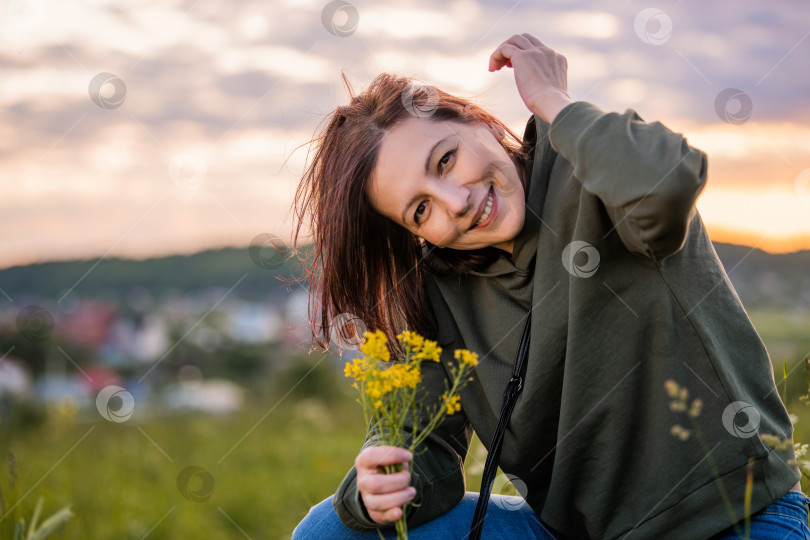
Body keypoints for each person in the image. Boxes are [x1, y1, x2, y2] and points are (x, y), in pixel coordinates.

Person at [290, 33, 810, 539]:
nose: (456, 201)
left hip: (732, 519)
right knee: (329, 531)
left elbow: (668, 181)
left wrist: (554, 103)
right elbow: (420, 445)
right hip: (562, 532)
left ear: (474, 122)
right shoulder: (438, 288)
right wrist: (382, 486)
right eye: (421, 208)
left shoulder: (595, 174)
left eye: (445, 160)